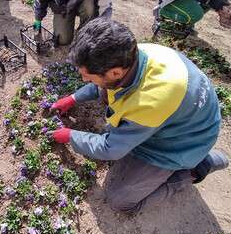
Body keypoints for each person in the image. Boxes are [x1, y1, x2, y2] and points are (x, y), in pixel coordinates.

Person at [50, 18, 229, 213]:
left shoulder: (150, 101)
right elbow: (104, 85)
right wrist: (73, 98)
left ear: (116, 72)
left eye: (87, 76)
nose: (83, 79)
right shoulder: (131, 53)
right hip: (182, 117)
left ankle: (198, 168)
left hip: (185, 140)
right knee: (107, 93)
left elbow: (111, 149)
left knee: (120, 200)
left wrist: (70, 136)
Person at [33, 0, 112, 46]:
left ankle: (84, 33)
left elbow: (104, 3)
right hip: (63, 5)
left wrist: (102, 28)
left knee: (90, 7)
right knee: (62, 40)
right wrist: (38, 18)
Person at [153, 0, 231, 36]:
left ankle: (184, 21)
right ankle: (162, 12)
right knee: (196, 14)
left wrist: (223, 8)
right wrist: (216, 1)